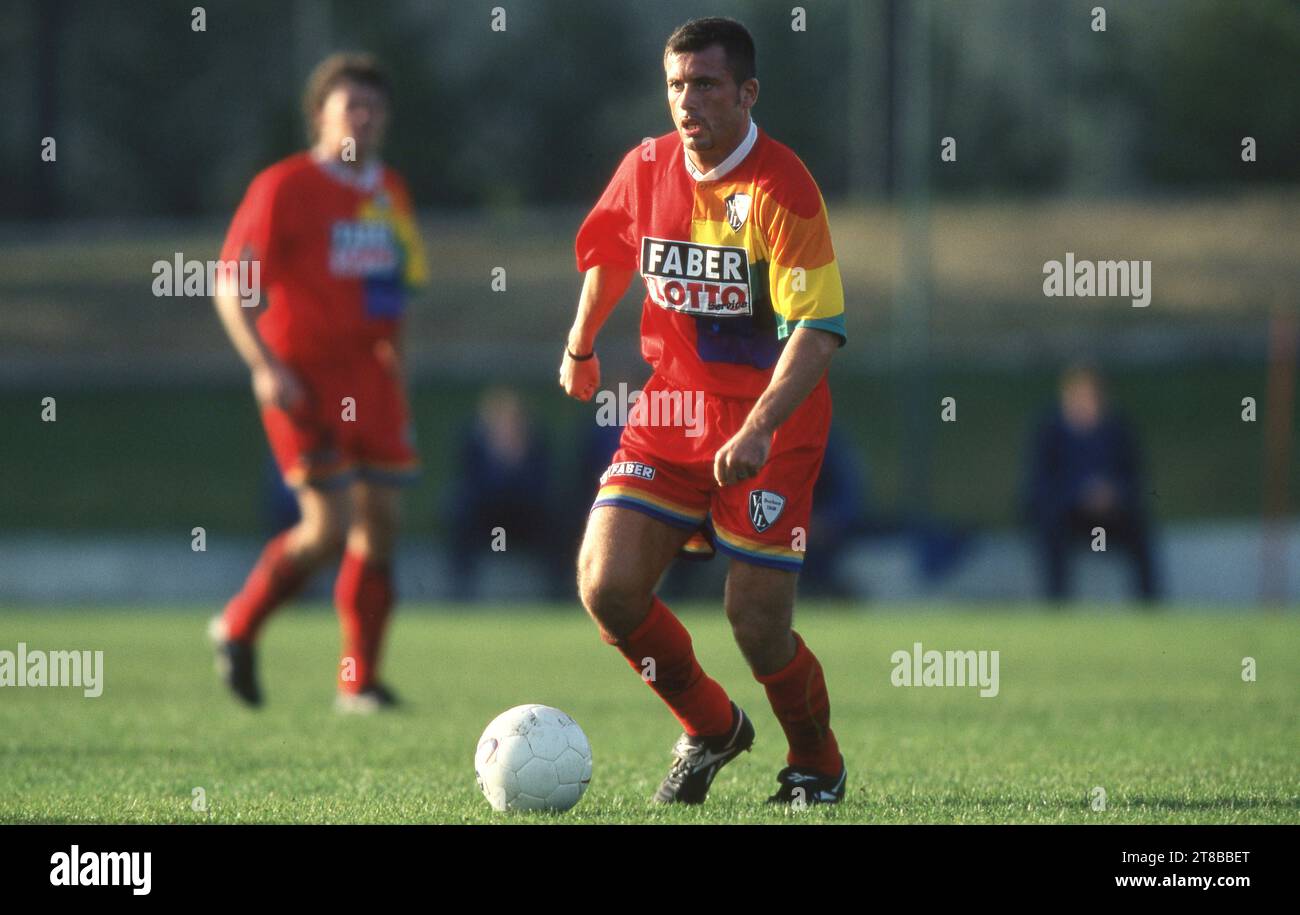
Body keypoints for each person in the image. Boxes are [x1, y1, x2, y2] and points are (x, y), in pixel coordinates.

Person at [560, 18, 849, 805]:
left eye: (707, 85)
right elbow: (613, 249)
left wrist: (758, 426)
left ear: (748, 92)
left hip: (774, 428)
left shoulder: (782, 188)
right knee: (606, 585)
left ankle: (816, 763)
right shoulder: (647, 165)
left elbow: (818, 331)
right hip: (671, 413)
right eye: (677, 85)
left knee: (755, 624)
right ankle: (712, 726)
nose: (688, 102)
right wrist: (581, 343)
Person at [208, 53, 428, 713]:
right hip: (302, 377)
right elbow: (232, 284)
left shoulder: (389, 189)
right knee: (328, 525)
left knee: (383, 522)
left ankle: (357, 681)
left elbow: (399, 294)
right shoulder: (284, 186)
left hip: (373, 378)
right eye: (350, 106)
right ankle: (238, 625)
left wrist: (400, 376)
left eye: (374, 107)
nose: (364, 117)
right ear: (321, 116)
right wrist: (264, 365)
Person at [1022, 365, 1160, 603]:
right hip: (1067, 513)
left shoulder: (1117, 430)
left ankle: (1150, 605)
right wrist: (1079, 496)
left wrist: (1113, 495)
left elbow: (1136, 477)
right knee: (1051, 530)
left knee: (1139, 531)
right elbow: (1040, 483)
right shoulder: (1050, 430)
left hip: (1111, 514)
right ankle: (1057, 605)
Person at [444, 387, 566, 601]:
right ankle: (460, 586)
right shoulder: (475, 444)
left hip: (524, 516)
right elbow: (469, 484)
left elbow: (542, 485)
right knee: (460, 513)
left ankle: (559, 589)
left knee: (557, 518)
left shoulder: (535, 443)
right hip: (489, 518)